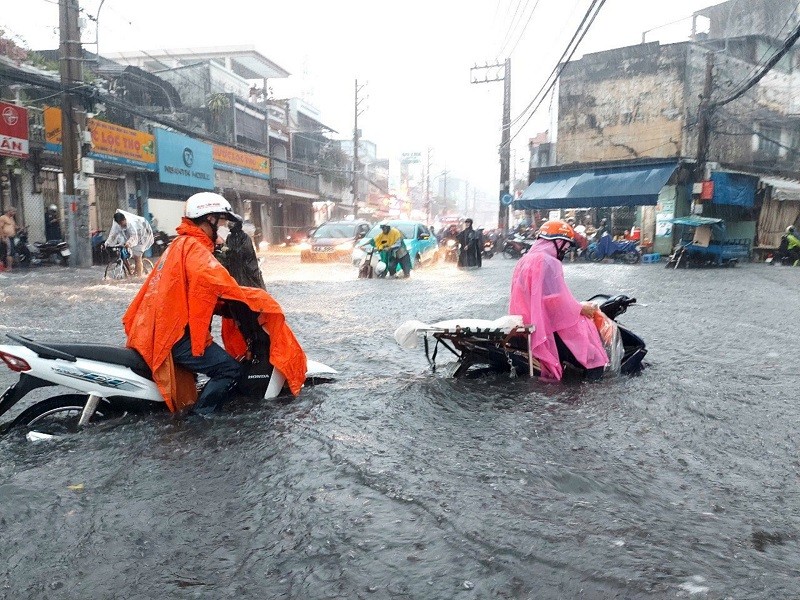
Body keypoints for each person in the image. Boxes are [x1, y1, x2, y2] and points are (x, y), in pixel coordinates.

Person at [122, 192, 307, 415]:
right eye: (218, 224)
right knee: (229, 370)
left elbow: (200, 292)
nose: (219, 234)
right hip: (177, 337)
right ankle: (200, 419)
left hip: (163, 331)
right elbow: (220, 283)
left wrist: (227, 305)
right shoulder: (194, 249)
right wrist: (260, 301)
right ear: (208, 219)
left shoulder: (180, 244)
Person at [509, 219, 609, 382]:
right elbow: (560, 300)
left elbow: (544, 295)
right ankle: (593, 373)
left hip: (525, 320)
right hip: (541, 323)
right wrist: (581, 308)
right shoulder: (549, 262)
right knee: (585, 328)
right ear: (558, 242)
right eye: (566, 245)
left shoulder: (524, 259)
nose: (566, 249)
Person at [219, 218, 266, 289]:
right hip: (233, 267)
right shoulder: (230, 237)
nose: (231, 225)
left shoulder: (245, 237)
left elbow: (245, 252)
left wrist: (231, 251)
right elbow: (227, 251)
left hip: (244, 268)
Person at [104, 210, 153, 276]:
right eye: (119, 223)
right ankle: (130, 270)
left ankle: (139, 276)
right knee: (123, 253)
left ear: (124, 219)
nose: (120, 225)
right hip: (128, 238)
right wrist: (107, 243)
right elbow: (113, 235)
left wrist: (129, 243)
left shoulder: (131, 224)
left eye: (121, 222)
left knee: (137, 258)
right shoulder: (118, 225)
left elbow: (134, 236)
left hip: (141, 237)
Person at [0, 207, 19, 272]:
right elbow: (0, 228)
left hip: (12, 237)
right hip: (6, 237)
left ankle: (8, 266)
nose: (14, 213)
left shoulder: (11, 218)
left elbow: (13, 226)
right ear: (9, 211)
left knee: (11, 252)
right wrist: (3, 237)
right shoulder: (3, 218)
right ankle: (9, 267)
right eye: (13, 212)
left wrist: (19, 228)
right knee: (9, 252)